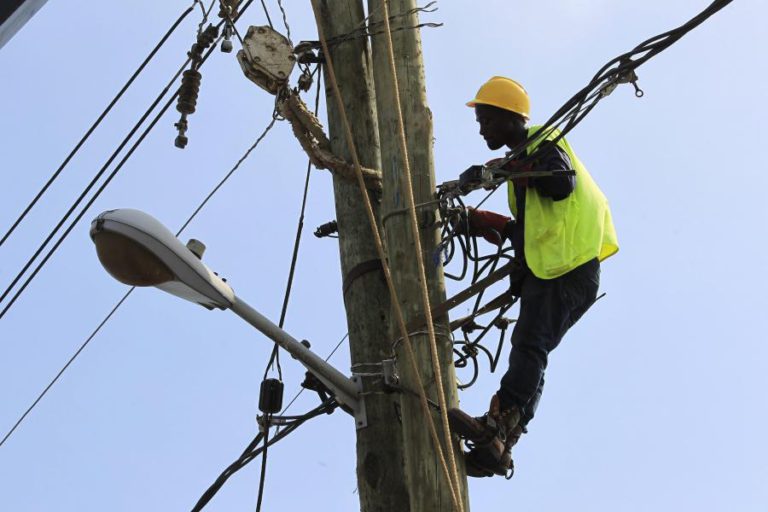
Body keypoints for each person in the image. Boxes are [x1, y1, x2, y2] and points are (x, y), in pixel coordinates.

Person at [448, 76, 619, 478]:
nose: (481, 128)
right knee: (535, 348)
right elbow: (528, 229)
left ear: (510, 117)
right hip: (566, 269)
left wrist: (500, 170)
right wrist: (482, 222)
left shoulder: (544, 140)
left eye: (487, 119)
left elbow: (560, 184)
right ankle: (501, 442)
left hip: (569, 265)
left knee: (529, 342)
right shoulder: (525, 164)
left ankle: (499, 420)